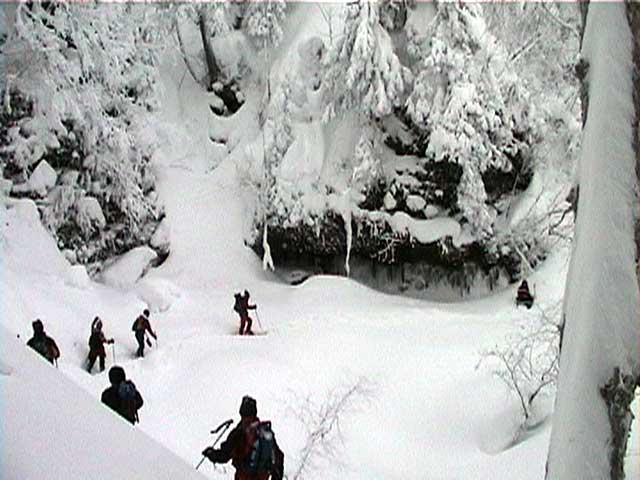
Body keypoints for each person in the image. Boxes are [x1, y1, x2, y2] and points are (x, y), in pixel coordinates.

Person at [202, 396, 284, 480]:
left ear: (241, 412)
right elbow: (279, 457)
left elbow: (224, 456)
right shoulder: (264, 432)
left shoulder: (239, 433)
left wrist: (210, 453)